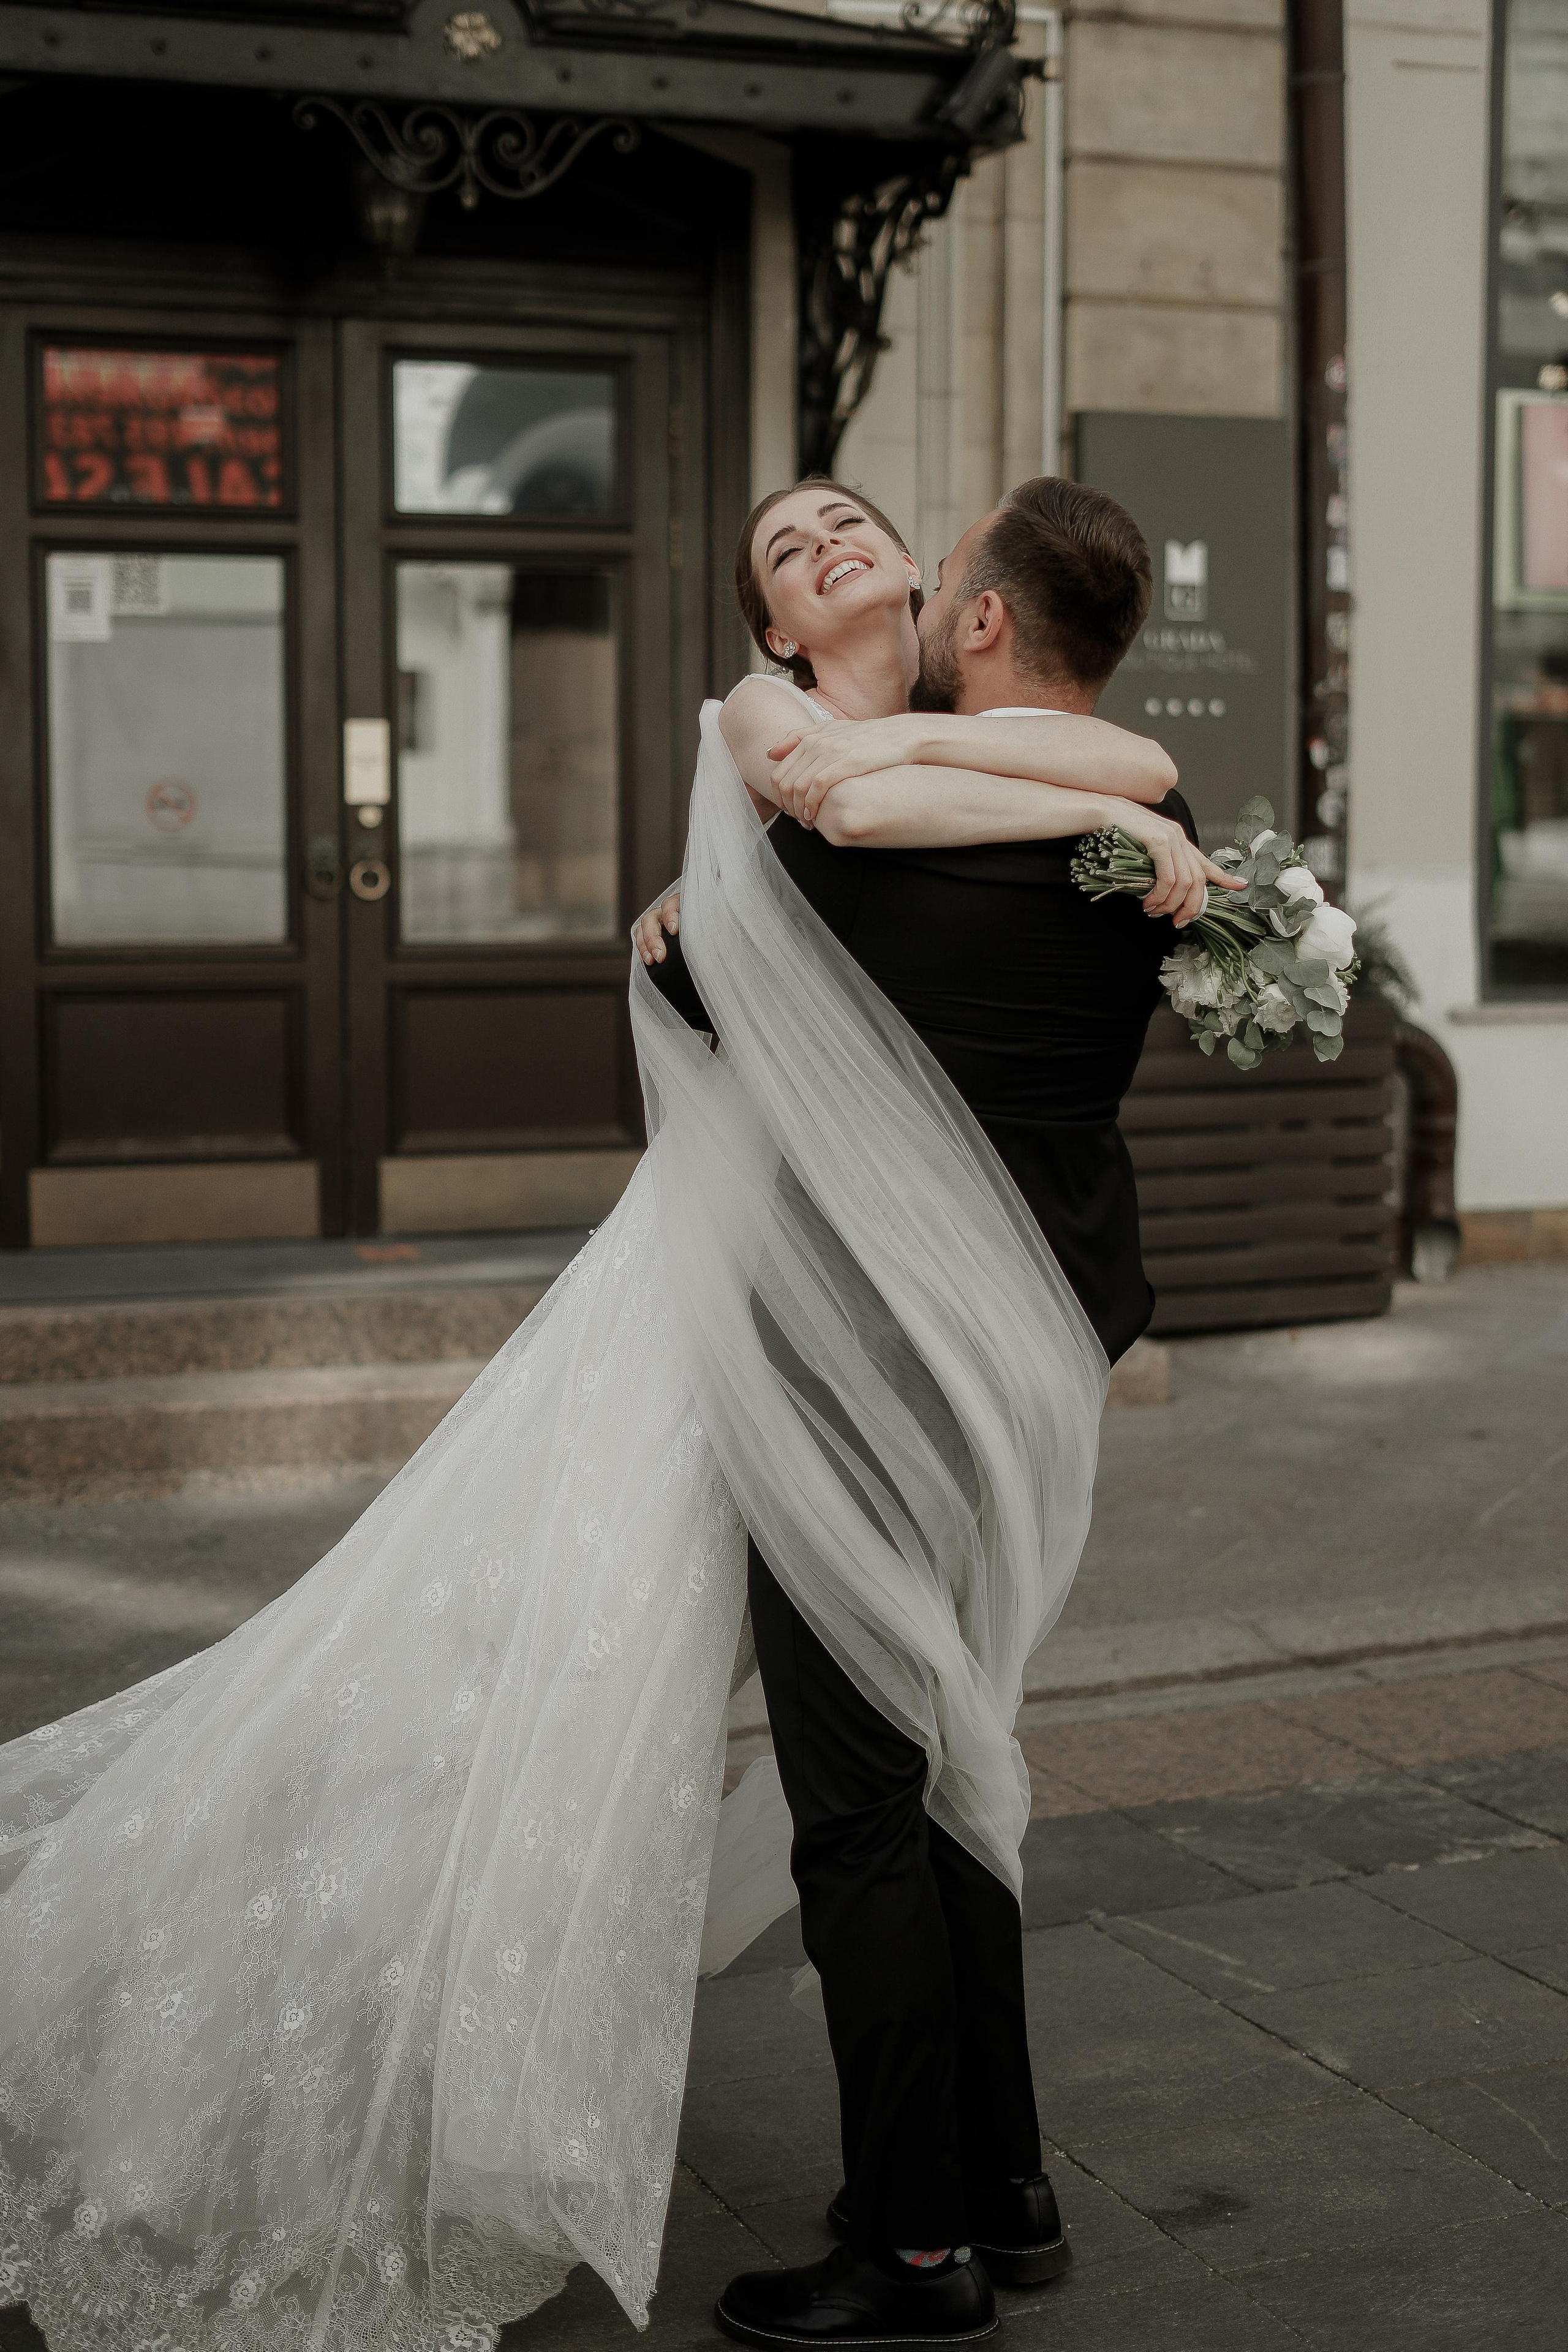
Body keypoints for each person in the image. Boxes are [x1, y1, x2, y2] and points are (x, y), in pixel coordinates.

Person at [636, 475, 1239, 2351]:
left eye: (895, 536)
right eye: (790, 548)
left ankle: (908, 2250)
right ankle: (1006, 2181)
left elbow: (712, 1008)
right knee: (962, 1752)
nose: (845, 554)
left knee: (860, 1811)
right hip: (1022, 1372)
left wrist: (685, 933)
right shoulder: (1163, 827)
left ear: (972, 612)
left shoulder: (825, 842)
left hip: (837, 1371)